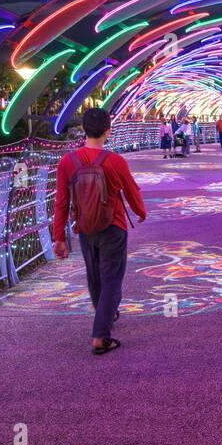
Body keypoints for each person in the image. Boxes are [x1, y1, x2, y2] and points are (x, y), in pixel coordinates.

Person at [52, 108, 146, 355]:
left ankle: (104, 313)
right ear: (108, 131)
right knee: (112, 279)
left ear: (83, 129)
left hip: (84, 227)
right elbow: (131, 191)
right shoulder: (115, 161)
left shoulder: (67, 162)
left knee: (95, 277)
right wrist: (141, 211)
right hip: (113, 226)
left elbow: (61, 201)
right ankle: (100, 336)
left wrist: (59, 238)